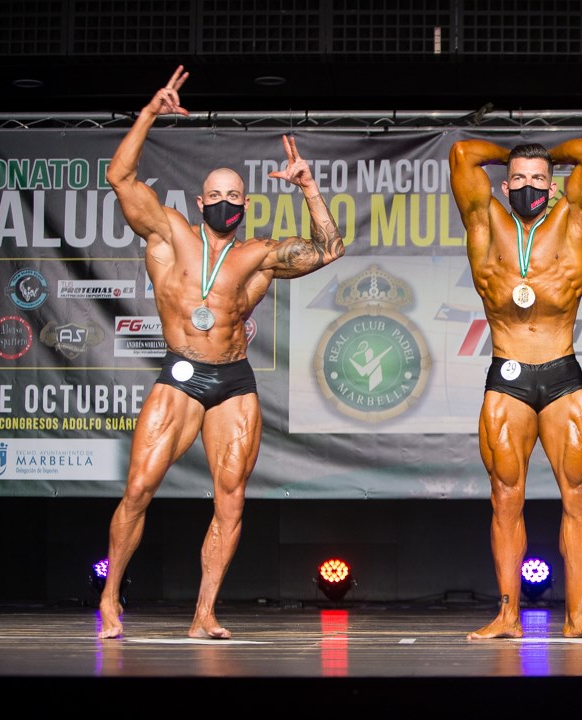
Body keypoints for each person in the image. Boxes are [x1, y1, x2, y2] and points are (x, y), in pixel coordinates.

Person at [97, 65, 347, 639]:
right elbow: (119, 176)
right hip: (181, 376)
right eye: (216, 195)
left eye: (234, 196)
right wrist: (149, 113)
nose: (225, 202)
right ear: (199, 200)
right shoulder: (169, 235)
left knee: (230, 501)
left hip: (234, 381)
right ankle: (109, 598)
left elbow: (329, 249)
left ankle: (204, 613)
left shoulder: (257, 256)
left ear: (246, 203)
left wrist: (309, 188)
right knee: (138, 489)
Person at [449, 137, 582, 641]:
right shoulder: (485, 220)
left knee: (580, 495)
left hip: (561, 373)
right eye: (519, 179)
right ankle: (507, 615)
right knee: (505, 497)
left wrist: (545, 155)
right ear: (505, 186)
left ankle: (579, 616)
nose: (528, 186)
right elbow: (462, 154)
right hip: (507, 374)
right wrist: (513, 154)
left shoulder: (574, 218)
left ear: (552, 187)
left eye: (538, 179)